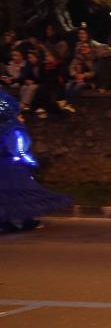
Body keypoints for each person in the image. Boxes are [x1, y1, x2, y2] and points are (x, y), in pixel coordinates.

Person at [0, 90, 72, 232]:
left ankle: (6, 223)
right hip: (14, 168)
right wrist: (32, 162)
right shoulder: (15, 130)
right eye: (20, 114)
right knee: (24, 194)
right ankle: (26, 221)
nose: (22, 118)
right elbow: (19, 150)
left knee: (6, 196)